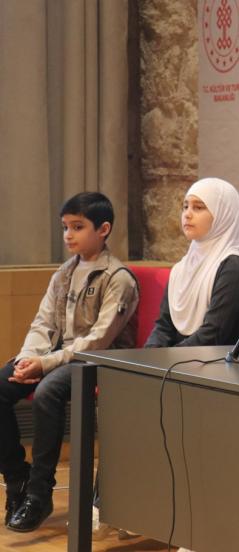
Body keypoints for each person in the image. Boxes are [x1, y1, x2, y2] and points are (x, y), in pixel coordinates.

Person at [0, 192, 138, 532]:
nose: (68, 235)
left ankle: (39, 492)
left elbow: (98, 341)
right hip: (57, 356)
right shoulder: (64, 273)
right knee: (2, 385)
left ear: (103, 229)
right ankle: (17, 477)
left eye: (78, 227)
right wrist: (29, 358)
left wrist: (45, 365)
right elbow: (43, 323)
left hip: (98, 362)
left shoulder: (118, 277)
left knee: (48, 392)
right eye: (65, 227)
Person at [145, 178, 239, 348]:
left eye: (198, 207)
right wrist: (148, 355)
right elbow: (163, 327)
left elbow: (212, 334)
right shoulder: (181, 268)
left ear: (222, 215)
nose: (187, 214)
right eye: (185, 206)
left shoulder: (234, 269)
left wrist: (166, 359)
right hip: (180, 359)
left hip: (218, 362)